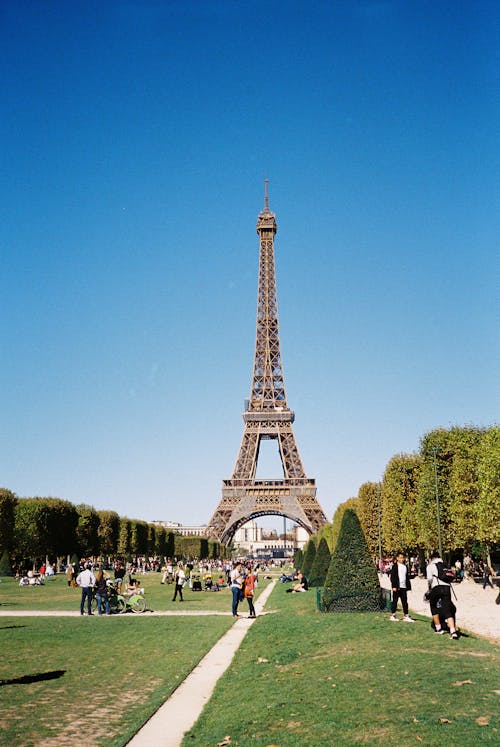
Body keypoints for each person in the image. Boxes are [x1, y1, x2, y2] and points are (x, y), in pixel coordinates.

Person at [426, 551, 459, 639]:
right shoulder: (445, 565)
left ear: (431, 558)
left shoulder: (430, 566)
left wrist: (429, 588)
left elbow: (429, 579)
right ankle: (453, 631)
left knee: (433, 607)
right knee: (447, 609)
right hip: (447, 588)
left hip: (436, 587)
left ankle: (438, 628)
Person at [389, 552, 414, 622]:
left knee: (405, 602)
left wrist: (408, 586)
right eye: (400, 558)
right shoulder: (395, 566)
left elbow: (406, 577)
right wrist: (394, 586)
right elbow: (393, 577)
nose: (402, 559)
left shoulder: (405, 566)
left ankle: (406, 615)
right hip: (397, 587)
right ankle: (392, 615)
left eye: (403, 558)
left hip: (403, 587)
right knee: (395, 601)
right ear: (397, 558)